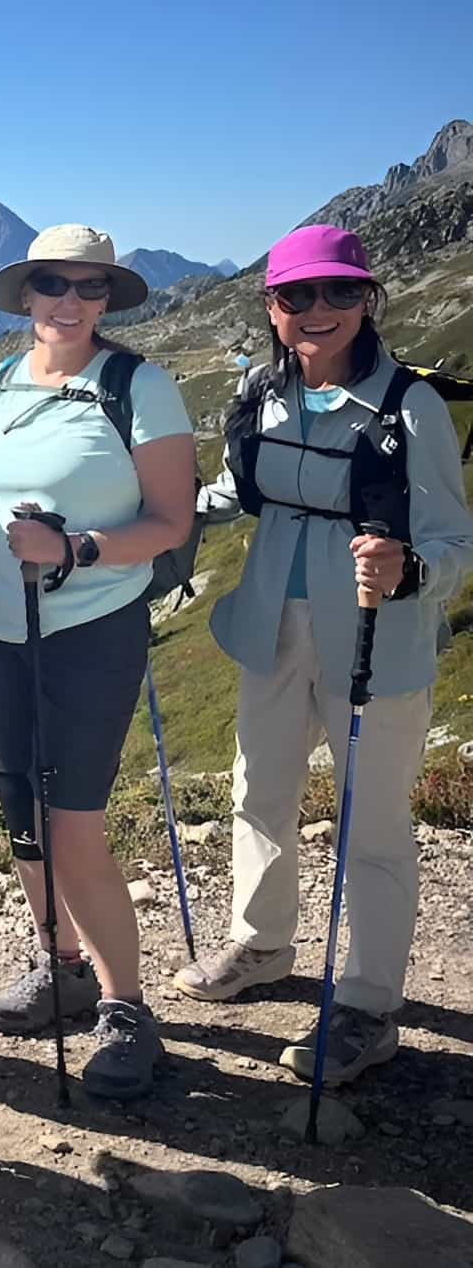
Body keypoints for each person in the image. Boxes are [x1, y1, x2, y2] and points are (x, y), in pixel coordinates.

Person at [171, 226, 473, 1086]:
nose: (318, 310)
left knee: (370, 824)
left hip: (379, 636)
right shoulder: (262, 390)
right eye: (297, 295)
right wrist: (158, 513)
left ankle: (371, 1007)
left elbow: (457, 539)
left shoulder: (407, 405)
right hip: (272, 624)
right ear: (272, 307)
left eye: (340, 292)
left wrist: (412, 567)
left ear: (368, 300)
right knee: (259, 790)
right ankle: (262, 945)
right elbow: (240, 490)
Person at [0, 224, 196, 1100]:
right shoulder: (0, 382)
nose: (68, 301)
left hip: (89, 631)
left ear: (108, 298)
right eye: (51, 284)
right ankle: (61, 963)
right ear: (26, 295)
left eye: (88, 286)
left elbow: (169, 523)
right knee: (23, 819)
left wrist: (72, 547)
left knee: (73, 827)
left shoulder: (138, 387)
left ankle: (126, 1010)